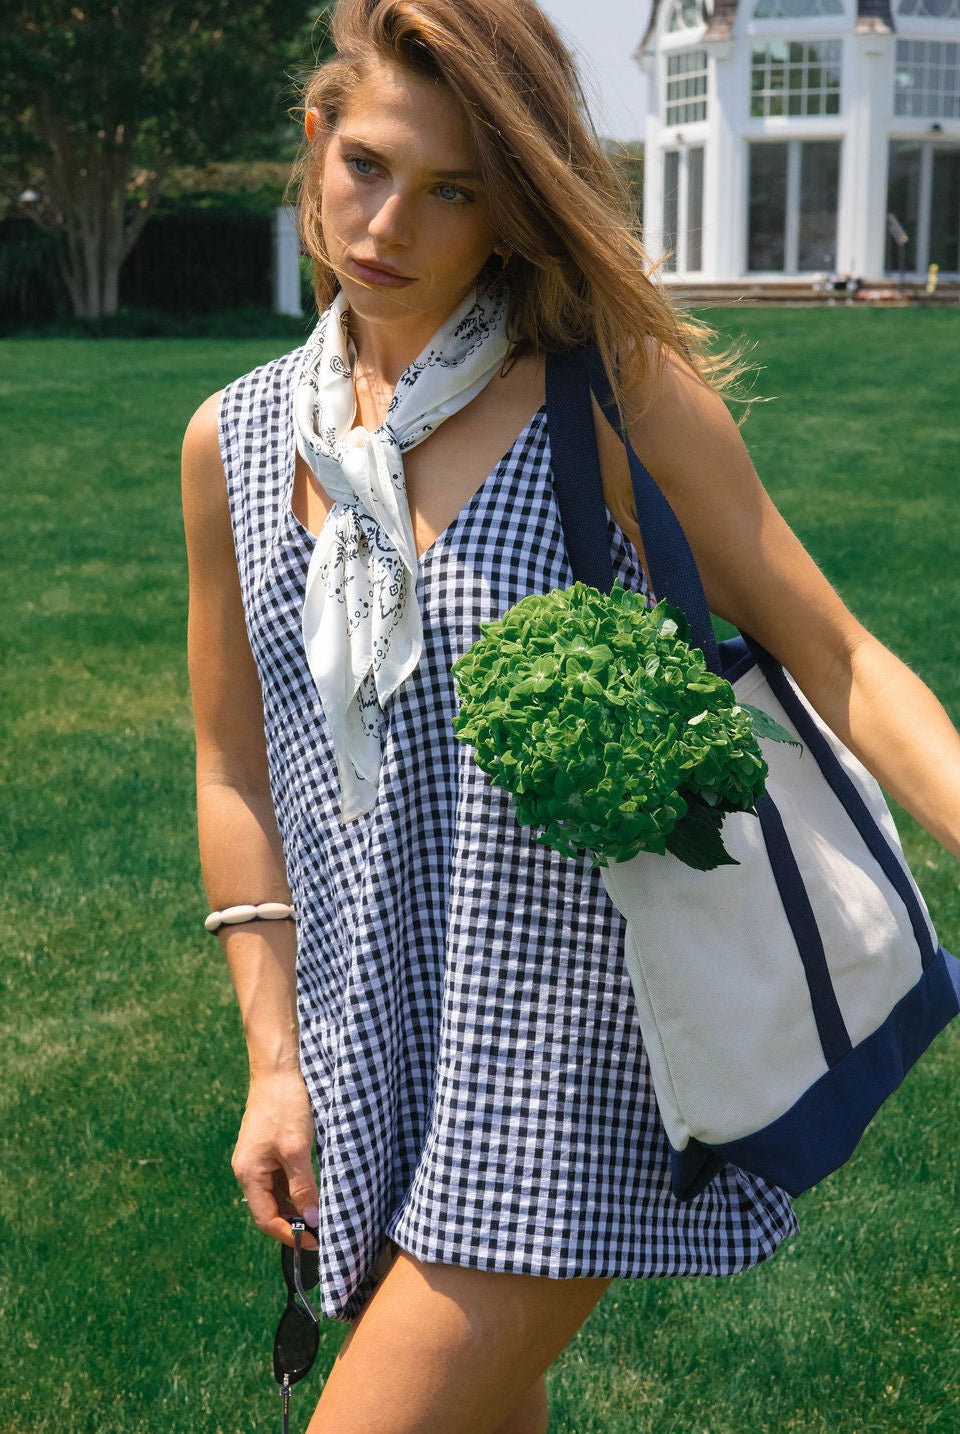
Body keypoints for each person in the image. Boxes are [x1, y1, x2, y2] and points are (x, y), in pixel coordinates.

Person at [181, 1, 960, 1430]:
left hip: (578, 1044)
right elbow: (237, 769)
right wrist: (272, 1063)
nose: (390, 223)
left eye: (455, 189)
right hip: (381, 1027)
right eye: (367, 165)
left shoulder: (605, 397)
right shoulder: (233, 443)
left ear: (514, 207)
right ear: (314, 140)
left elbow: (837, 655)